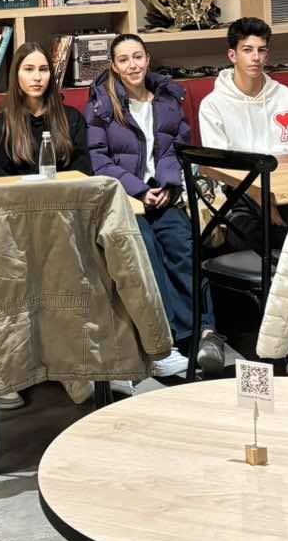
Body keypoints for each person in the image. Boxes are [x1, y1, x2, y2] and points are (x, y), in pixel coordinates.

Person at [85, 33, 224, 377]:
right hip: (125, 202)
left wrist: (167, 184)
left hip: (164, 194)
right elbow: (100, 162)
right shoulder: (102, 105)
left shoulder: (168, 98)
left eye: (138, 57)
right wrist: (139, 191)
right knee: (146, 250)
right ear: (114, 66)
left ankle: (204, 333)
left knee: (182, 243)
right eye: (123, 60)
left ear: (148, 59)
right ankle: (166, 342)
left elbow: (178, 149)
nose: (132, 65)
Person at [197, 17, 288, 155]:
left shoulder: (286, 96)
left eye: (261, 50)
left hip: (287, 168)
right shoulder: (212, 105)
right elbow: (218, 162)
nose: (256, 57)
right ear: (232, 56)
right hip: (239, 170)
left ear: (266, 56)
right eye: (247, 50)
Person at [0, 42, 92, 177]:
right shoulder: (0, 123)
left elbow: (82, 173)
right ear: (16, 74)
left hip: (66, 190)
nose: (37, 77)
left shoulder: (72, 118)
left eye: (43, 69)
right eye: (29, 69)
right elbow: (0, 179)